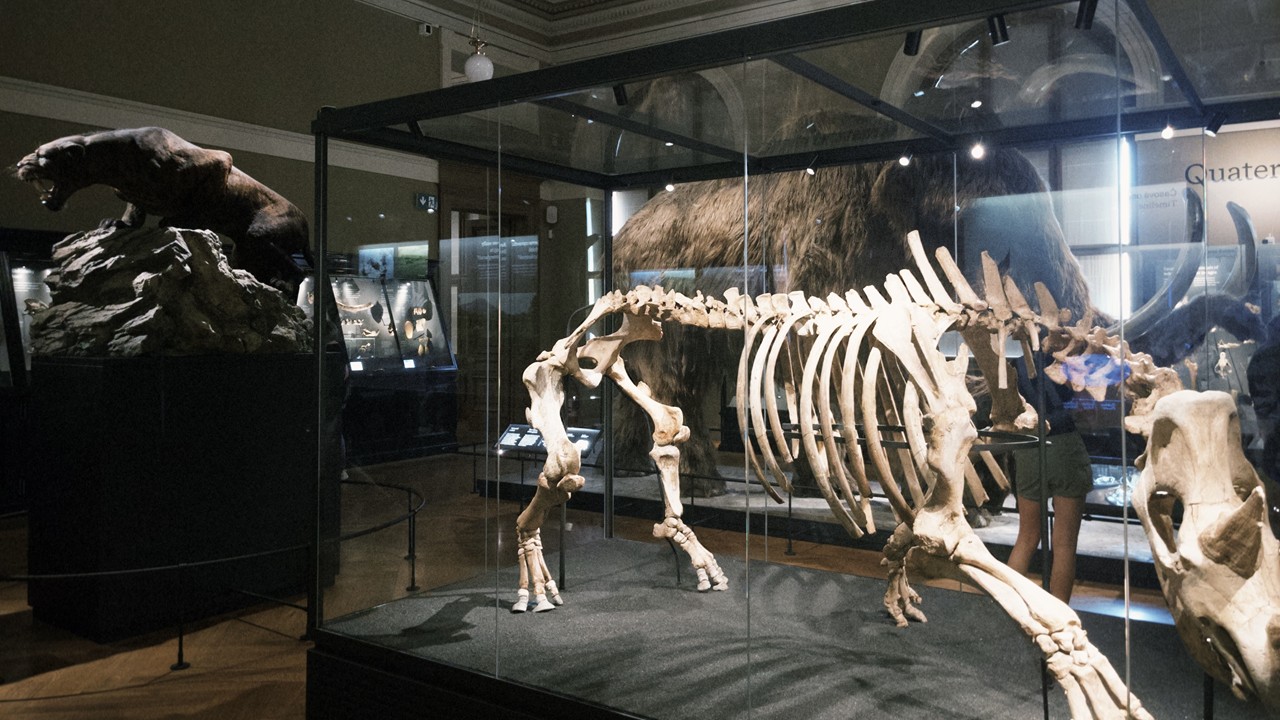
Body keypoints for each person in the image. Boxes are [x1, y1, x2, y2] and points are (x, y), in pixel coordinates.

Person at [1006, 354, 1093, 603]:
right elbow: (1079, 407)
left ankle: (1007, 609)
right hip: (1064, 446)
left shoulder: (1017, 364)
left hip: (1029, 448)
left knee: (1026, 536)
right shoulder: (1063, 359)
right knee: (1064, 544)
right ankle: (1060, 615)